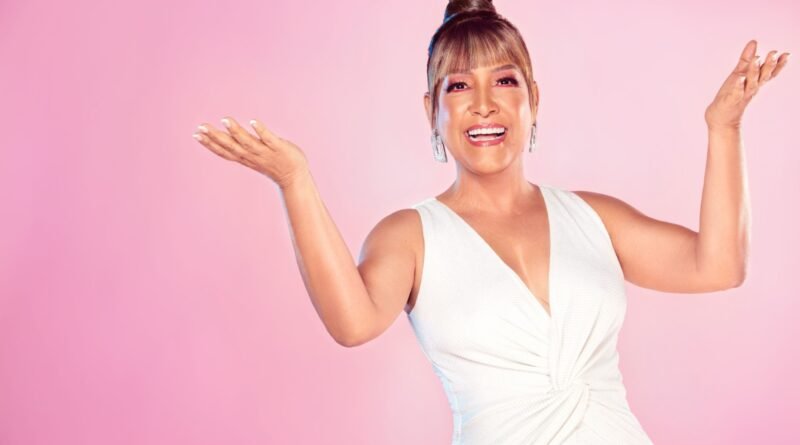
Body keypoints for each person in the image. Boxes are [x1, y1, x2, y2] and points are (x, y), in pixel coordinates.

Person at [191, 0, 789, 442]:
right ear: (432, 110)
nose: (484, 104)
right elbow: (352, 323)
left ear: (533, 98)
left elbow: (719, 266)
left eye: (505, 80)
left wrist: (724, 128)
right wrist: (294, 180)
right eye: (459, 86)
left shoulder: (594, 217)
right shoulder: (410, 236)